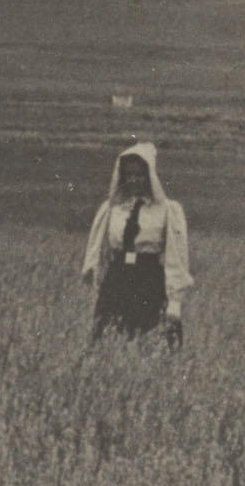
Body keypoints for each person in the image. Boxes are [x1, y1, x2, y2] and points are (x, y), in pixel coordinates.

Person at [79, 143, 192, 349]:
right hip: (117, 279)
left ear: (149, 175)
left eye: (140, 174)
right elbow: (99, 251)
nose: (134, 180)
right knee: (104, 340)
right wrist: (98, 284)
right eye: (129, 174)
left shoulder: (166, 211)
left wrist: (175, 303)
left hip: (148, 280)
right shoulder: (112, 209)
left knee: (147, 340)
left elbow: (176, 258)